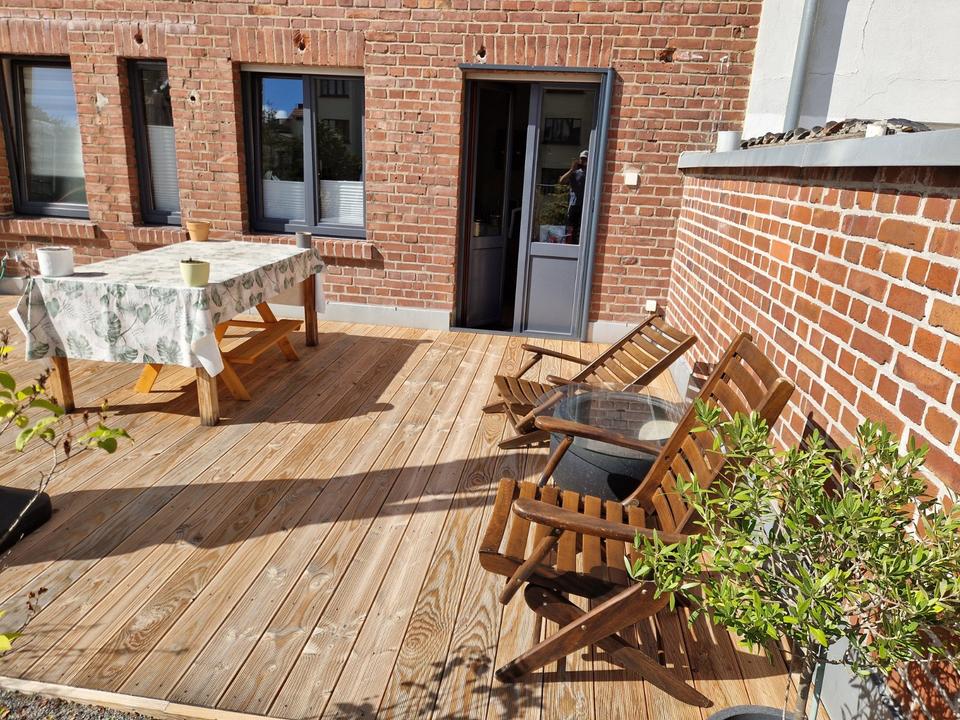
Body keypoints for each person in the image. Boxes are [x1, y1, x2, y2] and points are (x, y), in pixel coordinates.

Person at [559, 150, 588, 244]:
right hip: (574, 205)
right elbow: (562, 181)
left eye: (585, 159)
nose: (583, 161)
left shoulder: (591, 173)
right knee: (571, 229)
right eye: (582, 159)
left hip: (585, 205)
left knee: (583, 229)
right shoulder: (575, 172)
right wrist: (571, 170)